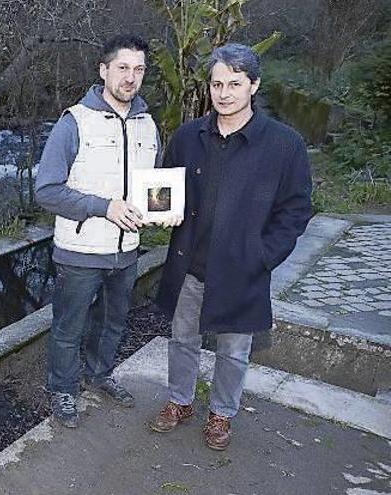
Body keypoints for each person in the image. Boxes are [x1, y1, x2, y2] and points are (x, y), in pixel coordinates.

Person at [148, 43, 313, 450]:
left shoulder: (284, 145)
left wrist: (263, 256)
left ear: (253, 85)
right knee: (182, 339)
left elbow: (296, 210)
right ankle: (180, 401)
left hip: (242, 268)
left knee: (234, 351)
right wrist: (158, 210)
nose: (224, 93)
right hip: (189, 264)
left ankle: (222, 413)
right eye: (217, 83)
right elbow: (164, 192)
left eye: (235, 84)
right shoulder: (188, 137)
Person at [35, 34, 178, 428]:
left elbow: (153, 186)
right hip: (80, 252)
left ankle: (100, 376)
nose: (131, 78)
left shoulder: (148, 125)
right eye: (123, 68)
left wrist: (161, 211)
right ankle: (63, 390)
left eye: (139, 70)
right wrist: (104, 207)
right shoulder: (74, 122)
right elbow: (46, 190)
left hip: (127, 251)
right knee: (69, 328)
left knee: (113, 322)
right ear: (104, 71)